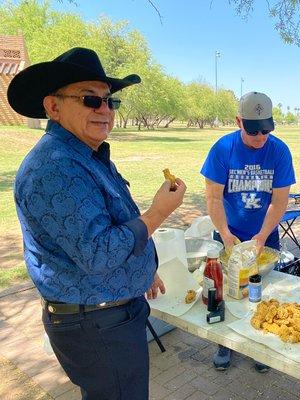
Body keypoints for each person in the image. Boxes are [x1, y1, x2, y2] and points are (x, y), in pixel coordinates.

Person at [8, 47, 187, 400]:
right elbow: (99, 253)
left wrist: (142, 268)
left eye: (109, 102)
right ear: (53, 107)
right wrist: (157, 214)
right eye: (90, 100)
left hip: (107, 316)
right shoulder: (56, 166)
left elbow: (108, 224)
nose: (104, 110)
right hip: (97, 326)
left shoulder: (84, 155)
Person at [201, 91, 296, 372]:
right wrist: (225, 233)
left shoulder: (279, 150)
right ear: (238, 121)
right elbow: (213, 199)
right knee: (229, 290)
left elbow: (279, 201)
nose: (260, 137)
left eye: (266, 130)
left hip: (265, 234)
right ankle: (225, 342)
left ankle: (260, 343)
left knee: (263, 290)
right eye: (253, 130)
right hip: (228, 233)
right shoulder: (222, 149)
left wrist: (263, 235)